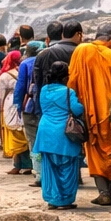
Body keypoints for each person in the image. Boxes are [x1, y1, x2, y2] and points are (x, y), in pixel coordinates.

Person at [69, 23, 111, 205]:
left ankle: (104, 192)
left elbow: (73, 80)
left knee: (94, 152)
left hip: (90, 112)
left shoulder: (82, 50)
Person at [32, 61, 85, 210]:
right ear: (65, 77)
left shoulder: (43, 90)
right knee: (67, 167)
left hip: (46, 131)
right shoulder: (68, 92)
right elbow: (76, 109)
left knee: (49, 168)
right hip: (64, 134)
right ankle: (65, 200)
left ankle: (53, 199)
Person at [14, 39, 44, 184]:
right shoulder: (48, 59)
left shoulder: (25, 64)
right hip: (48, 106)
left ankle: (38, 173)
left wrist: (18, 106)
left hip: (31, 107)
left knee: (33, 141)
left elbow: (20, 88)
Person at [0, 49, 30, 174]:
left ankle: (17, 165)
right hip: (25, 102)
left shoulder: (4, 76)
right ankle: (29, 165)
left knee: (13, 133)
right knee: (24, 134)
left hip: (9, 104)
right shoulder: (24, 70)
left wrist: (1, 109)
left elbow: (1, 95)